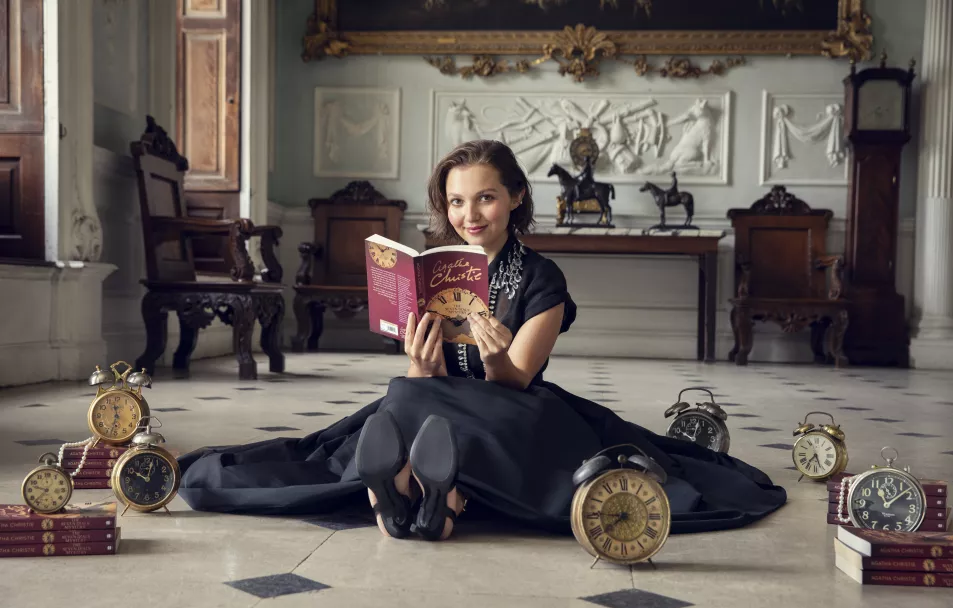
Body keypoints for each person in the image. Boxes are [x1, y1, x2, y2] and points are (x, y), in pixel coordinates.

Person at [175, 140, 786, 541]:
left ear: (516, 196)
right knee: (405, 395)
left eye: (487, 197)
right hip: (434, 402)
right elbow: (424, 382)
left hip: (515, 408)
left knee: (425, 412)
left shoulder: (543, 278)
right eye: (458, 201)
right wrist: (420, 364)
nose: (471, 214)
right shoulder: (433, 270)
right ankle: (429, 497)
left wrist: (496, 354)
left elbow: (518, 379)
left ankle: (416, 490)